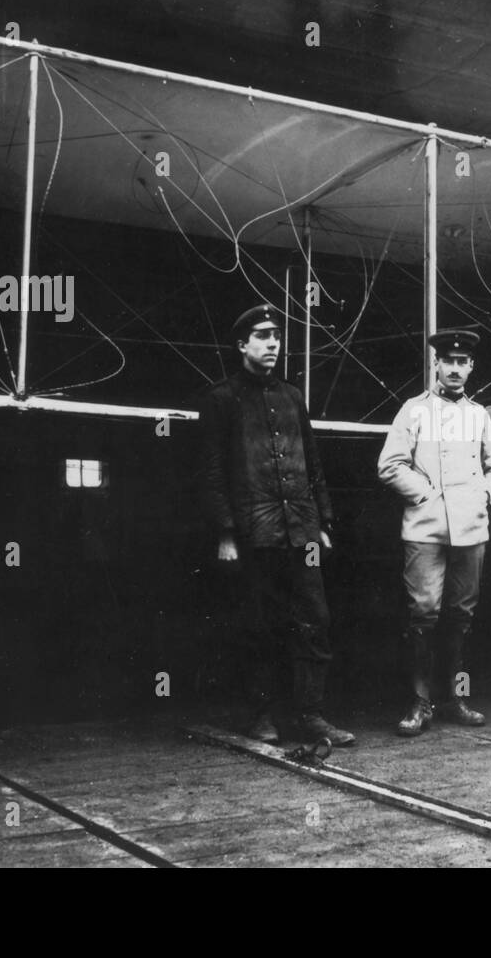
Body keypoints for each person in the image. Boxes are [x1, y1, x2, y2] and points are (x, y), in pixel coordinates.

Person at [199, 303, 354, 746]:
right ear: (242, 345)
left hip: (301, 530)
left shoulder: (292, 397)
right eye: (262, 337)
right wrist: (227, 532)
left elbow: (313, 461)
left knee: (314, 620)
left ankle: (311, 715)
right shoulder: (221, 399)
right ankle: (262, 714)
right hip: (255, 532)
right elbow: (212, 473)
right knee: (260, 624)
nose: (272, 345)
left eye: (277, 337)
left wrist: (322, 521)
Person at [377, 329, 491, 736]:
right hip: (427, 529)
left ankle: (456, 699)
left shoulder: (479, 415)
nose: (454, 369)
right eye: (447, 361)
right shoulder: (414, 411)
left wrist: (485, 494)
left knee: (461, 615)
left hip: (471, 530)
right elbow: (390, 465)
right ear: (436, 364)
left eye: (462, 362)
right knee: (424, 613)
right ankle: (420, 702)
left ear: (471, 367)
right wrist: (427, 496)